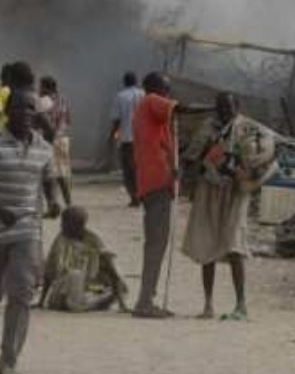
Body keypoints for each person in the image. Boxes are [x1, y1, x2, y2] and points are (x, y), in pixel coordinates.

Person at [0, 82, 60, 374]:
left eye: (31, 108)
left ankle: (8, 359)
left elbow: (50, 179)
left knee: (21, 291)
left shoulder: (44, 148)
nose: (26, 113)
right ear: (6, 111)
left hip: (27, 229)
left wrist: (54, 201)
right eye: (19, 107)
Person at [182, 92, 277, 321]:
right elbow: (192, 158)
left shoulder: (249, 130)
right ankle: (208, 305)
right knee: (207, 245)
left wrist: (242, 172)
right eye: (221, 108)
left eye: (229, 108)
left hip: (235, 194)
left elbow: (260, 161)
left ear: (237, 107)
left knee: (235, 246)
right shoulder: (207, 128)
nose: (225, 112)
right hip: (208, 192)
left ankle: (241, 304)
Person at [130, 72, 218, 319]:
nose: (169, 95)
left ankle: (147, 298)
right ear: (156, 89)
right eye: (166, 89)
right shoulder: (151, 101)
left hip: (158, 181)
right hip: (156, 182)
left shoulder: (151, 114)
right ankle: (145, 301)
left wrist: (173, 165)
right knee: (156, 243)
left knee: (157, 242)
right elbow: (182, 109)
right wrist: (212, 107)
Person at [38, 205, 129, 313]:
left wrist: (122, 304)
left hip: (88, 289)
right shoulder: (60, 240)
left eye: (65, 223)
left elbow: (112, 272)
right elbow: (49, 271)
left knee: (120, 283)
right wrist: (41, 301)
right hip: (63, 292)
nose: (61, 226)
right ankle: (82, 305)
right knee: (75, 275)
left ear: (78, 225)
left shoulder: (94, 240)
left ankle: (88, 303)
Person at [109, 72, 145, 207]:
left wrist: (112, 136)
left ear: (124, 82)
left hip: (127, 139)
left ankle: (134, 197)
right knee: (140, 168)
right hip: (143, 139)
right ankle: (142, 194)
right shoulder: (144, 95)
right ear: (136, 81)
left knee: (128, 170)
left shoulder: (120, 96)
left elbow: (116, 120)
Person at [39, 76, 72, 207]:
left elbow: (40, 121)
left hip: (48, 140)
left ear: (45, 87)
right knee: (62, 174)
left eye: (41, 86)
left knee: (47, 174)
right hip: (62, 140)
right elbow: (68, 120)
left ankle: (52, 204)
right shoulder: (63, 100)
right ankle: (69, 203)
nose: (39, 89)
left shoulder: (43, 101)